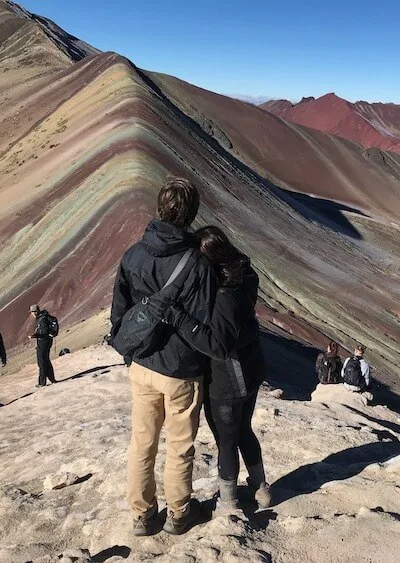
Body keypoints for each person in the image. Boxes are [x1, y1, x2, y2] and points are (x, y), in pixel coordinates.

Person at [110, 175, 216, 536]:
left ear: (159, 208)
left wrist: (130, 353)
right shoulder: (198, 265)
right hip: (180, 371)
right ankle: (180, 513)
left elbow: (119, 310)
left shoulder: (133, 254)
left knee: (142, 442)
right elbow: (202, 322)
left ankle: (142, 515)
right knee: (179, 446)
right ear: (192, 214)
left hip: (142, 365)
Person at [164, 226, 271, 515]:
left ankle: (229, 502)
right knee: (244, 429)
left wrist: (178, 317)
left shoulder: (224, 293)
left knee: (226, 439)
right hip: (252, 366)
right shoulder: (244, 275)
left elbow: (218, 345)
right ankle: (261, 487)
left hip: (228, 377)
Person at [29, 305, 56, 387]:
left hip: (43, 343)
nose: (32, 314)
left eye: (32, 312)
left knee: (41, 362)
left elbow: (44, 332)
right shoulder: (44, 317)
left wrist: (34, 336)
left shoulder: (42, 319)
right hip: (47, 342)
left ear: (35, 312)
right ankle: (52, 379)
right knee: (46, 361)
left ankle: (42, 383)